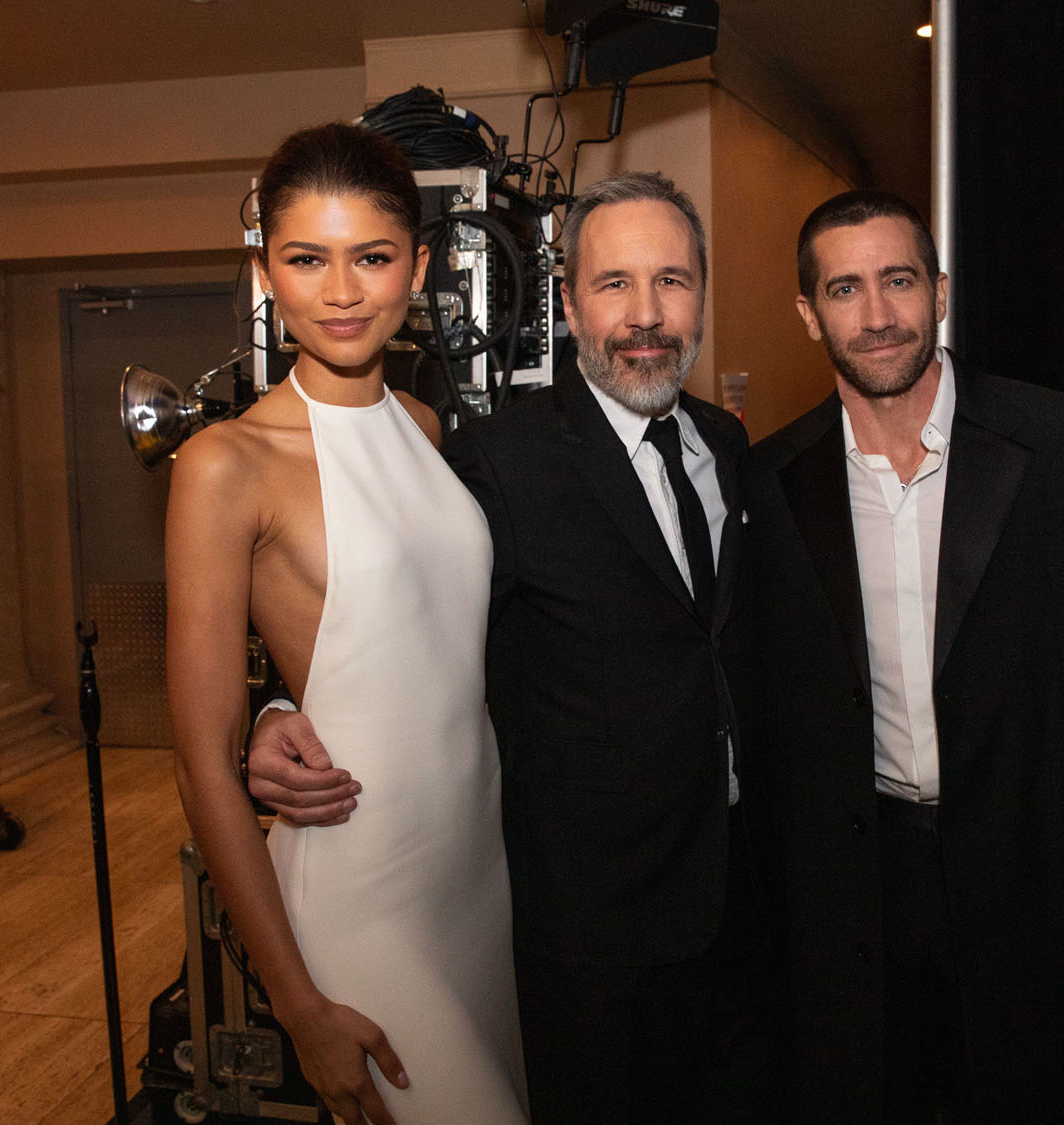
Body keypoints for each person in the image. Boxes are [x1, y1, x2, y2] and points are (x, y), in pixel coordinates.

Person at [248, 171, 772, 1124]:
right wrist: (279, 708)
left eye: (672, 280)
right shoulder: (500, 461)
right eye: (614, 284)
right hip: (590, 930)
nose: (646, 314)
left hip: (739, 902)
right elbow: (401, 620)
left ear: (703, 294)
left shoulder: (726, 447)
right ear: (568, 306)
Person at [739, 189, 1064, 1122]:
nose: (877, 314)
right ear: (809, 314)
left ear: (939, 292)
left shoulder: (1063, 443)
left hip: (1041, 878)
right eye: (846, 289)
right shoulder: (773, 481)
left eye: (898, 280)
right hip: (862, 894)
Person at [165, 122, 528, 1125]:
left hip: (476, 873)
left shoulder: (421, 425)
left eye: (370, 257)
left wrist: (285, 705)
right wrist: (297, 1007)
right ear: (265, 274)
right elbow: (202, 763)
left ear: (417, 268)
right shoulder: (224, 465)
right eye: (305, 259)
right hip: (363, 896)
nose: (340, 292)